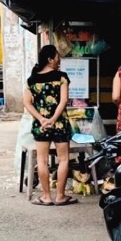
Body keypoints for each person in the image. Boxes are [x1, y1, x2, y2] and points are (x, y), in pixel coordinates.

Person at [24, 45, 76, 206]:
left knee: (42, 161)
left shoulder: (32, 80)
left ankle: (46, 197)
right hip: (60, 123)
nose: (59, 59)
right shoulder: (62, 77)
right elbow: (63, 101)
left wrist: (41, 119)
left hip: (41, 126)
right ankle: (60, 196)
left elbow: (27, 103)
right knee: (63, 159)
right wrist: (53, 119)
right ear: (50, 59)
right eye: (57, 56)